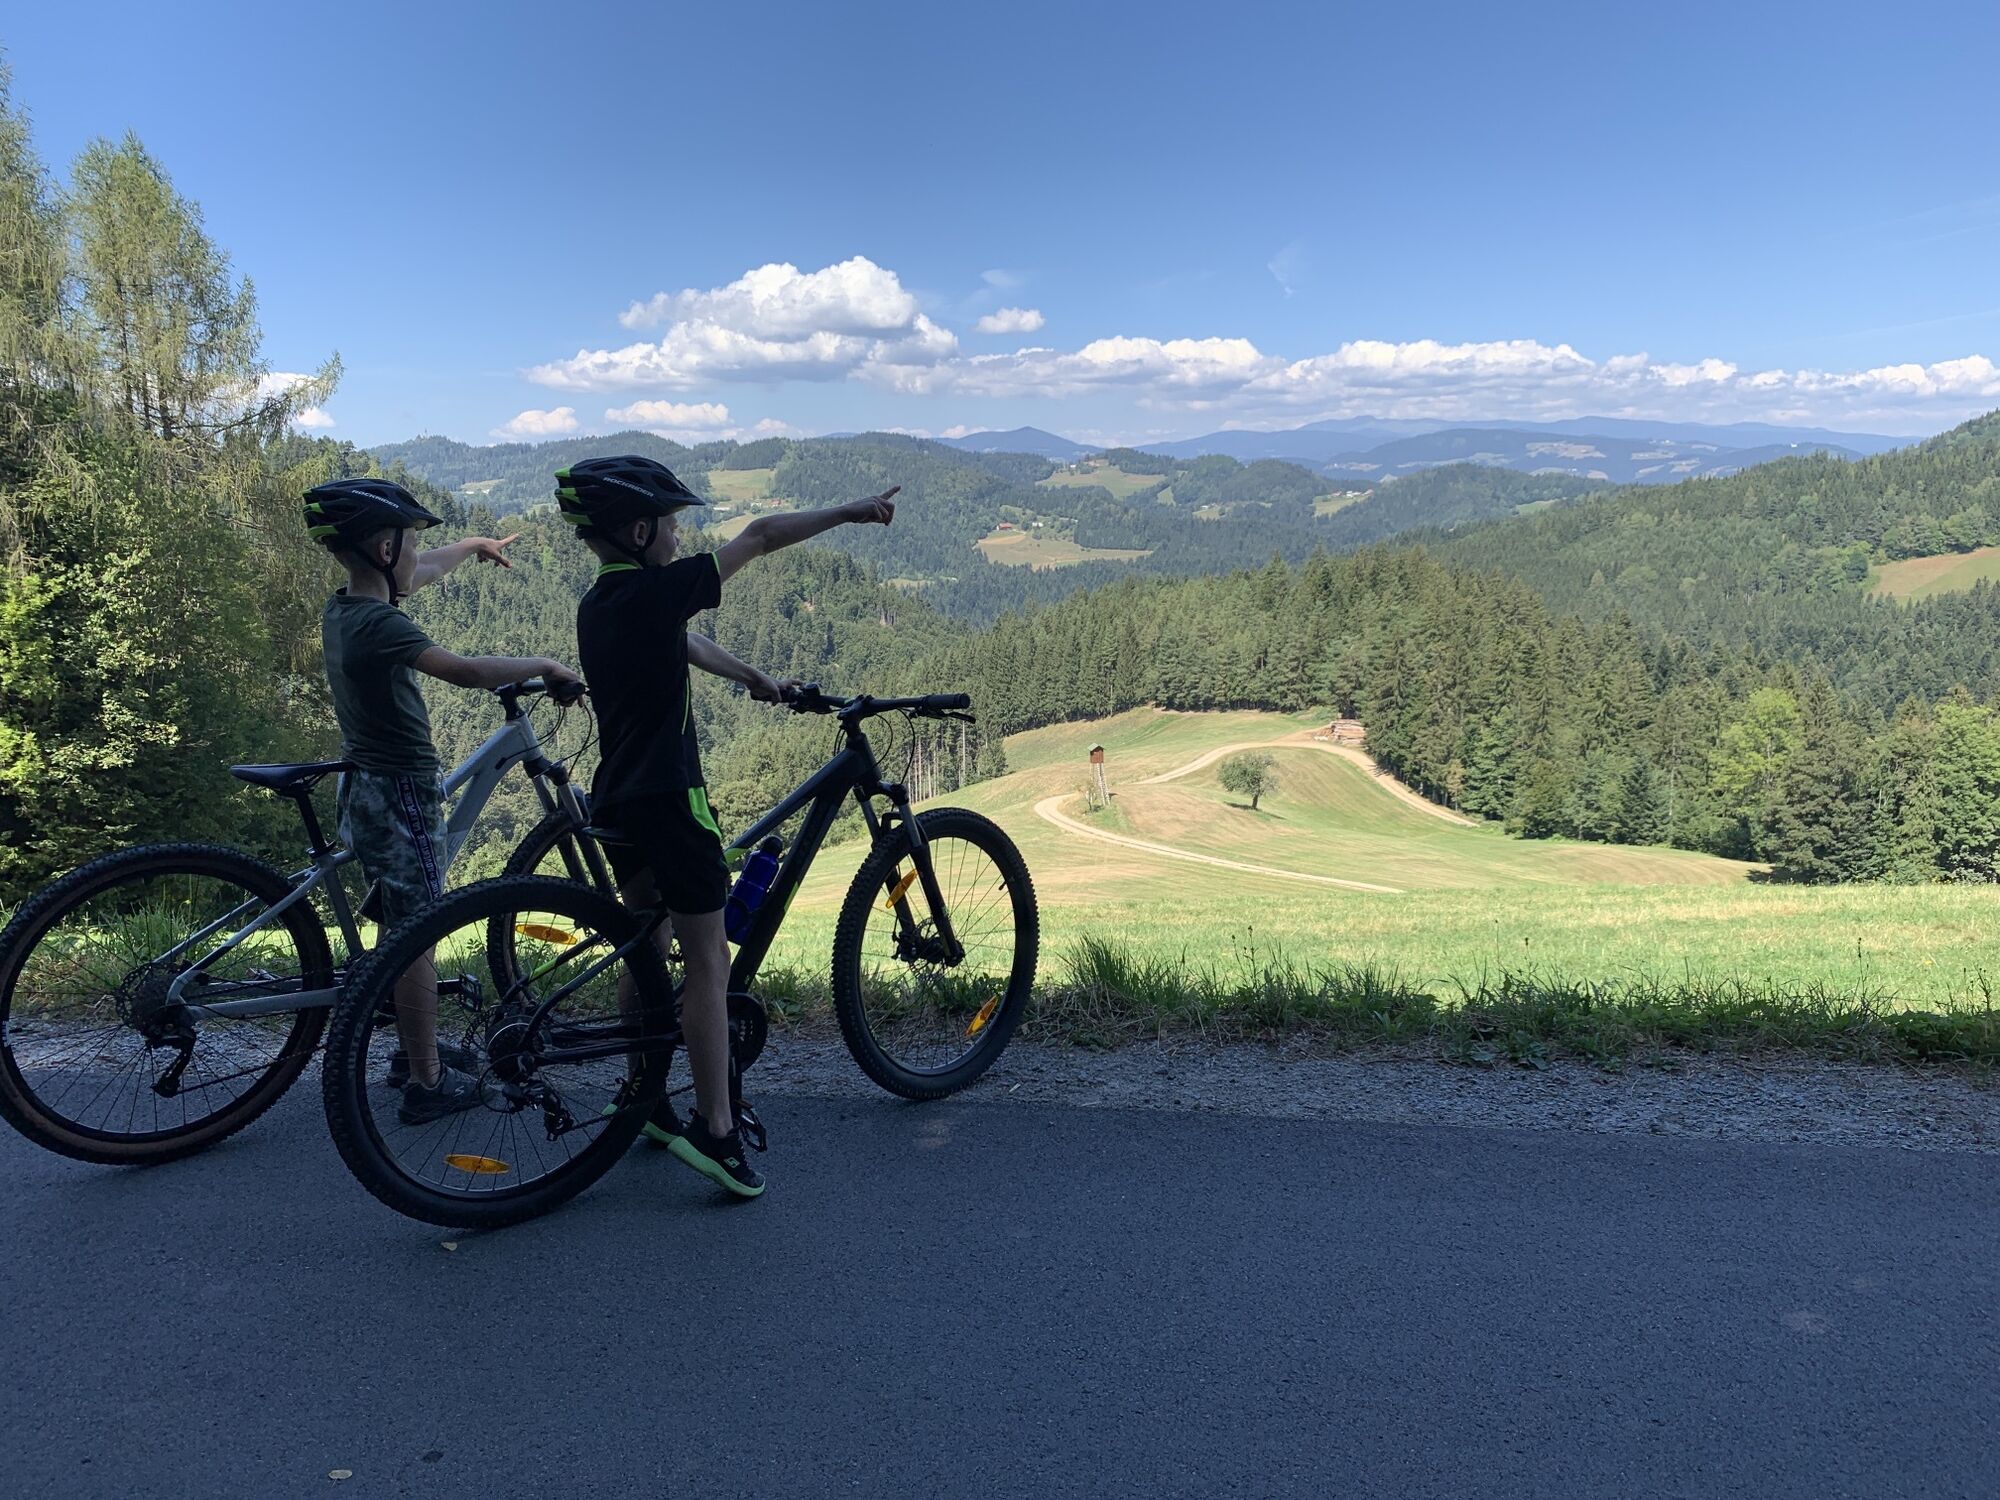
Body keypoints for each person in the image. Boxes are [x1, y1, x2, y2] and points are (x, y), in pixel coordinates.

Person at [558, 455, 896, 1197]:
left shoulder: (603, 603)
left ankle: (642, 1094)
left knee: (647, 945)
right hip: (671, 799)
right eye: (672, 525)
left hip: (618, 797)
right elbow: (762, 535)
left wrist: (752, 677)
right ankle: (716, 1129)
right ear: (640, 532)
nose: (680, 538)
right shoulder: (658, 589)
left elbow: (681, 643)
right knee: (708, 961)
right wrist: (850, 511)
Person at [304, 476, 580, 1123]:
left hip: (366, 786)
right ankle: (426, 1082)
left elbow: (422, 569)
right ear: (383, 550)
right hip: (401, 790)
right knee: (419, 931)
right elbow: (466, 671)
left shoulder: (346, 607)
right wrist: (545, 664)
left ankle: (411, 1051)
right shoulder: (381, 623)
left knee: (401, 919)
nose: (416, 556)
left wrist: (473, 545)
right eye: (407, 543)